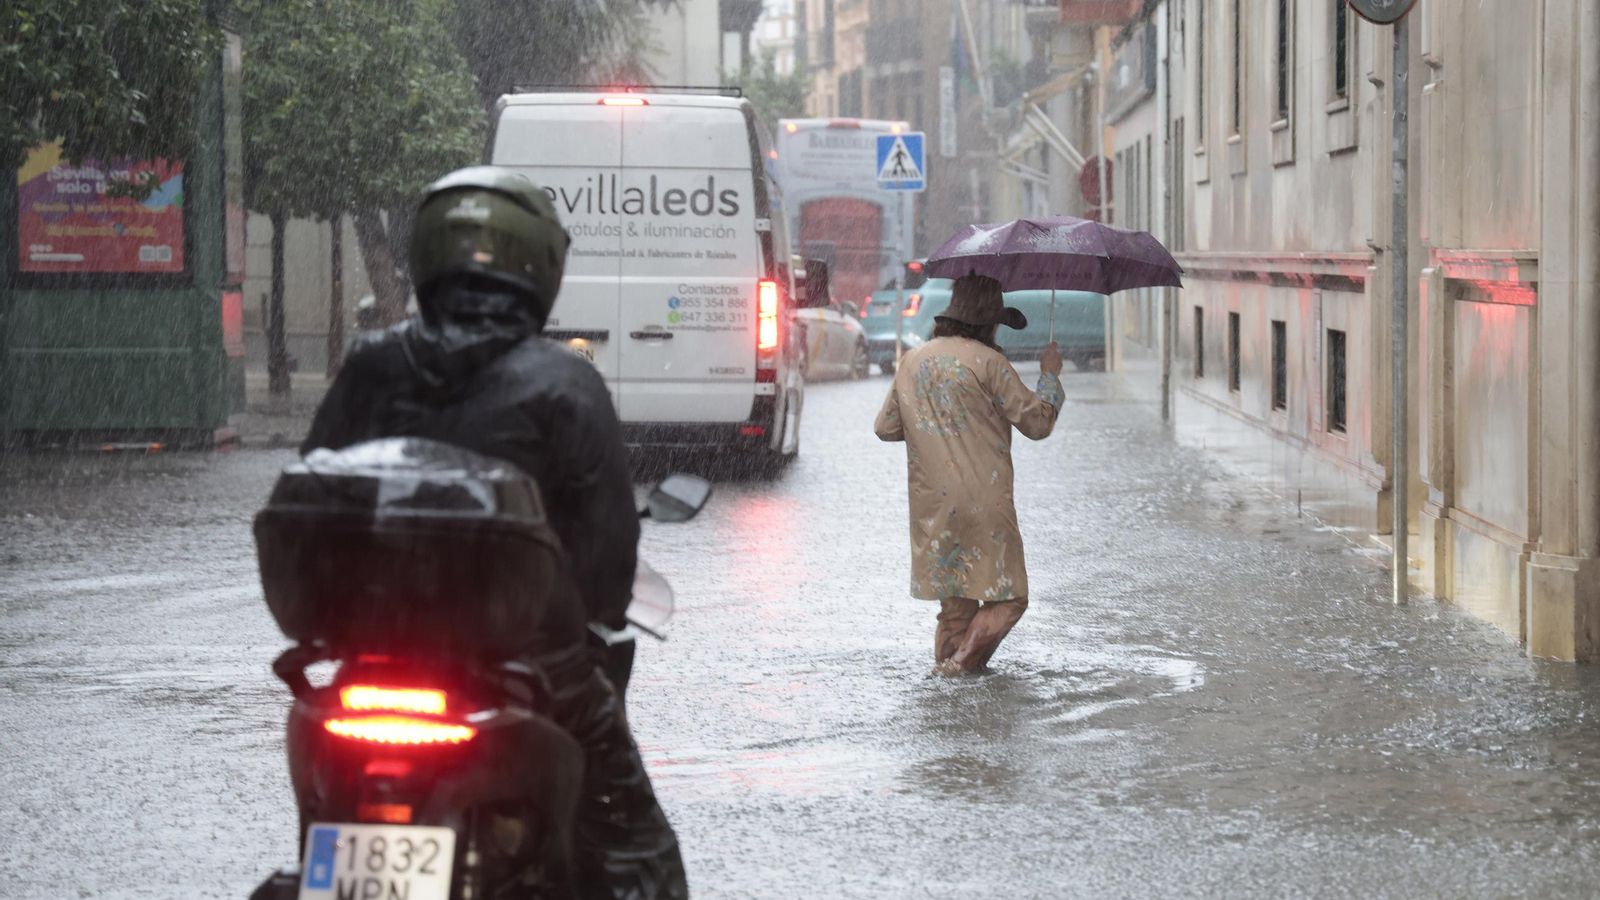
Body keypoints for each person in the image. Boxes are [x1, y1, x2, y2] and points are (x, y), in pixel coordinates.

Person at [301, 166, 688, 900]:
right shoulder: (567, 384)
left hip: (369, 666)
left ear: (423, 257)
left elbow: (311, 500)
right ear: (540, 264)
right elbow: (607, 573)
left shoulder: (369, 368)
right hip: (529, 667)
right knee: (636, 849)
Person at [873, 274, 1065, 676]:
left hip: (934, 508)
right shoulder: (990, 363)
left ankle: (949, 697)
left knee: (955, 609)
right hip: (985, 503)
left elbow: (886, 427)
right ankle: (959, 666)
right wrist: (1050, 375)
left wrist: (934, 425)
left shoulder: (913, 360)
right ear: (988, 323)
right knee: (1011, 598)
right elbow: (1038, 423)